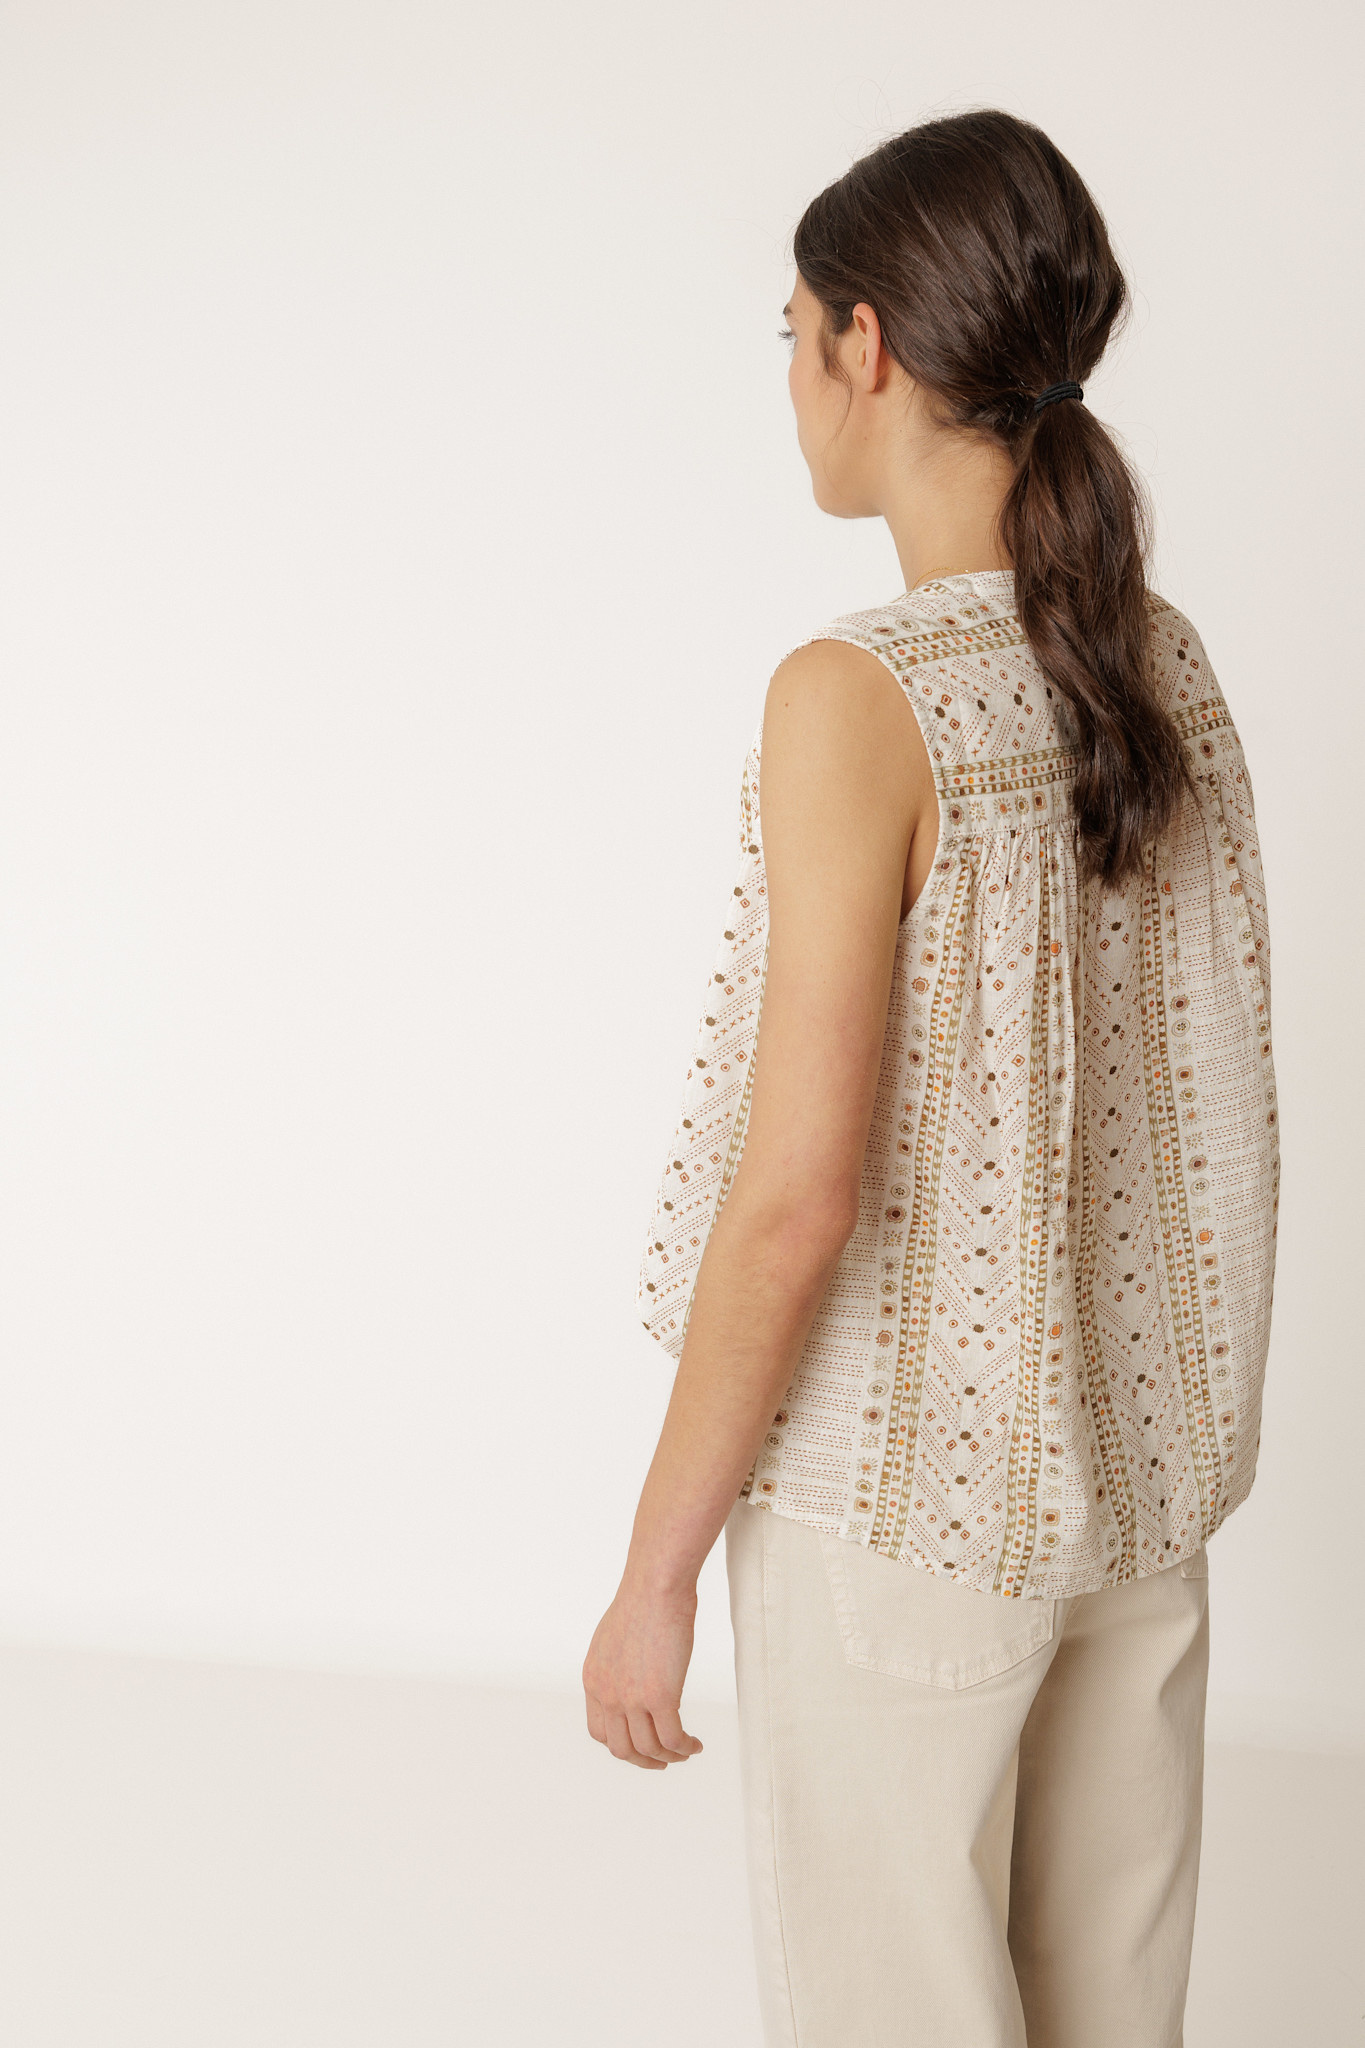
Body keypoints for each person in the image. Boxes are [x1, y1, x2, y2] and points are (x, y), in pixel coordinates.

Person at [582, 107, 1278, 2048]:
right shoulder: (1157, 662)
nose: (790, 377)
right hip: (1134, 1505)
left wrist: (651, 1573)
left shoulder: (857, 697)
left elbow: (795, 1193)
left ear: (863, 344)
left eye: (790, 332)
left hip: (901, 1526)